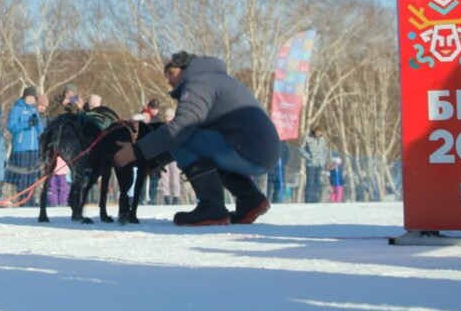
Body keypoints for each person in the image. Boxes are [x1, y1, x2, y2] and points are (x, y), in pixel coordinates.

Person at [114, 51, 279, 227]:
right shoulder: (216, 79)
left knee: (182, 136)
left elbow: (181, 128)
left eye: (171, 73)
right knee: (203, 150)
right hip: (261, 151)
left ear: (185, 68)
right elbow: (203, 142)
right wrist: (155, 160)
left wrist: (137, 151)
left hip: (247, 150)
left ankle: (212, 207)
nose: (168, 80)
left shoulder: (199, 83)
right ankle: (250, 200)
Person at [4, 86, 44, 205]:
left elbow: (40, 130)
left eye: (33, 97)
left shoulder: (34, 110)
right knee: (22, 175)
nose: (31, 99)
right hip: (21, 147)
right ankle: (22, 199)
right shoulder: (17, 109)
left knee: (32, 175)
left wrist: (37, 123)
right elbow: (11, 127)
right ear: (24, 96)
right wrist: (26, 123)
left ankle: (31, 199)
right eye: (29, 97)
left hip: (34, 148)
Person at [301, 128, 330, 203]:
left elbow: (325, 151)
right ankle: (308, 200)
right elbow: (301, 149)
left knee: (317, 182)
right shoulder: (308, 138)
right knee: (310, 182)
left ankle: (315, 199)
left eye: (320, 131)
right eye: (317, 131)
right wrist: (309, 156)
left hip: (319, 164)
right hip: (311, 164)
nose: (318, 132)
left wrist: (324, 160)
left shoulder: (323, 140)